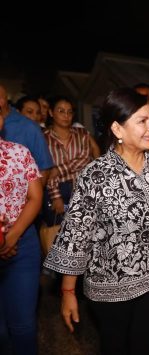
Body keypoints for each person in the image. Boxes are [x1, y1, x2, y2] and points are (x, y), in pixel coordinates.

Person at [43, 87, 149, 355]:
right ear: (118, 130)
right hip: (112, 286)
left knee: (146, 344)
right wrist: (67, 292)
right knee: (115, 346)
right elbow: (76, 235)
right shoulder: (95, 175)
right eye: (142, 121)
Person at [0, 106, 43, 355]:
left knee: (23, 326)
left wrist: (12, 236)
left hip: (22, 244)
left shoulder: (19, 153)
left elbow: (35, 198)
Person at [42, 95, 98, 226]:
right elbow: (48, 171)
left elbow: (85, 159)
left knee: (82, 231)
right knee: (57, 232)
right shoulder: (44, 138)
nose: (66, 115)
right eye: (61, 111)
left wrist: (58, 169)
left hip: (81, 188)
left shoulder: (81, 134)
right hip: (55, 188)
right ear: (51, 112)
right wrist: (56, 196)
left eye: (69, 112)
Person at [0, 84, 54, 186]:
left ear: (1, 102)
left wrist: (32, 200)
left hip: (19, 197)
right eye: (30, 112)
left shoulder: (28, 126)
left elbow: (44, 169)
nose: (35, 116)